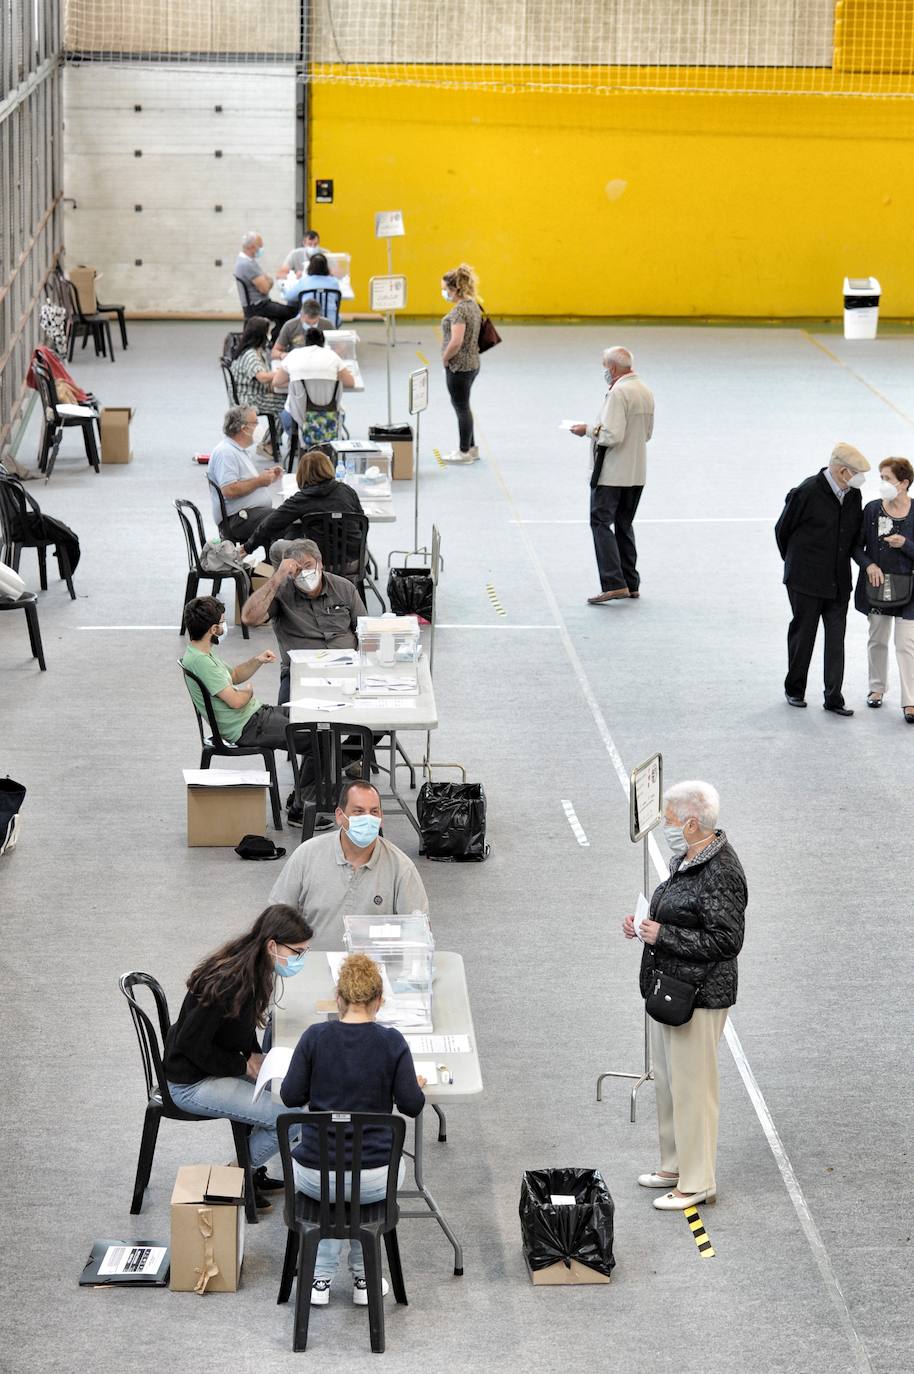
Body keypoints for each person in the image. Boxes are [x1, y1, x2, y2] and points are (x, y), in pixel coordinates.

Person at [622, 781, 746, 1211]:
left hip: (701, 995)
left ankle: (697, 1182)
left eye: (670, 817)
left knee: (693, 1090)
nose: (665, 824)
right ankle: (674, 1165)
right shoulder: (689, 857)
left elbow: (726, 941)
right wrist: (644, 923)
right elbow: (679, 910)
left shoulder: (722, 872)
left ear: (692, 823)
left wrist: (664, 935)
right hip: (672, 989)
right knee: (670, 1082)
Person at [281, 951, 426, 1305]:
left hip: (315, 1175)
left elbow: (290, 1096)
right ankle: (365, 1278)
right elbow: (412, 1105)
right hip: (376, 1178)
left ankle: (318, 1279)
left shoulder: (314, 1038)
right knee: (359, 1189)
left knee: (332, 1187)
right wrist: (412, 1084)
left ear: (338, 999)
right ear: (379, 1001)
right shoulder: (392, 1043)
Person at [163, 904, 313, 1207]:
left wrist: (254, 1052)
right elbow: (191, 1043)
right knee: (290, 1119)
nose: (300, 959)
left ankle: (248, 1170)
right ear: (272, 945)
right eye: (297, 952)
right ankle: (234, 1178)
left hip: (212, 1066)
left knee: (289, 1093)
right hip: (191, 1082)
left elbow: (238, 1023)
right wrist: (243, 1065)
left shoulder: (252, 967)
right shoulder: (228, 982)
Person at [269, 780, 429, 949]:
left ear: (381, 818)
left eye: (374, 812)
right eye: (358, 811)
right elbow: (276, 918)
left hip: (372, 964)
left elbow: (417, 933)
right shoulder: (306, 855)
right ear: (340, 816)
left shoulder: (401, 868)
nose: (367, 818)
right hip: (312, 961)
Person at [775, 442, 869, 714]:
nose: (860, 479)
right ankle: (795, 689)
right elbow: (782, 531)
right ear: (841, 471)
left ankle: (833, 698)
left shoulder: (853, 495)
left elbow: (852, 536)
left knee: (836, 641)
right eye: (856, 473)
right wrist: (798, 565)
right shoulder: (806, 491)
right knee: (803, 636)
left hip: (838, 581)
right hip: (805, 581)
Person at [570, 346, 654, 604]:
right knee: (624, 524)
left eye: (605, 366)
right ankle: (631, 582)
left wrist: (587, 430)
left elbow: (611, 435)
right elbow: (647, 434)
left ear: (613, 368)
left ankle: (614, 583)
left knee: (600, 523)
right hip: (636, 472)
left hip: (612, 474)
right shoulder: (645, 390)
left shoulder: (618, 393)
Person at [241, 537, 365, 706]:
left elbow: (365, 630)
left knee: (374, 714)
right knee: (289, 718)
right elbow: (249, 618)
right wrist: (277, 578)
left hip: (345, 670)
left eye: (308, 566)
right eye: (297, 570)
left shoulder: (344, 587)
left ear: (320, 563)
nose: (304, 574)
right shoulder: (282, 592)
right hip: (300, 672)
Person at [180, 593, 299, 756]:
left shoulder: (202, 652)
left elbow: (234, 675)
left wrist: (258, 660)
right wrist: (248, 692)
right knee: (316, 736)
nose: (224, 626)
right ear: (213, 629)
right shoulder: (201, 662)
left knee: (309, 718)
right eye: (222, 622)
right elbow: (236, 701)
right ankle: (314, 772)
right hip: (248, 727)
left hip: (255, 716)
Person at [852, 456, 914, 722]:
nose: (882, 484)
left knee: (906, 644)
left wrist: (906, 545)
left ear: (904, 483)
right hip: (877, 586)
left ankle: (910, 701)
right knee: (877, 639)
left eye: (887, 479)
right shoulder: (872, 510)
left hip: (910, 590)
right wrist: (869, 565)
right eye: (881, 478)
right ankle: (876, 688)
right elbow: (856, 547)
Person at [244, 449, 364, 561]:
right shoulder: (347, 490)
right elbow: (362, 524)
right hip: (356, 559)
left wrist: (247, 548)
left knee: (277, 547)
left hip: (318, 562)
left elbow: (269, 525)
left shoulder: (302, 499)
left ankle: (285, 577)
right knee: (295, 531)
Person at [208, 405, 283, 544]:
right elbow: (229, 490)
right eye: (255, 423)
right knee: (283, 521)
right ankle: (276, 557)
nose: (259, 427)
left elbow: (244, 481)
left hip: (246, 513)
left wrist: (268, 477)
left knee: (284, 517)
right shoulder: (226, 452)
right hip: (236, 519)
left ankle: (273, 557)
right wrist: (259, 481)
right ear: (244, 428)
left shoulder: (237, 450)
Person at [274, 327, 354, 449]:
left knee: (285, 414)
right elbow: (350, 382)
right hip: (330, 419)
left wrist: (295, 381)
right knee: (341, 412)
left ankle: (299, 448)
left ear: (305, 342)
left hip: (297, 419)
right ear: (323, 342)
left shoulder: (294, 355)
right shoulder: (332, 356)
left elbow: (277, 382)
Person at [439, 263, 483, 464]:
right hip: (473, 363)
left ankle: (464, 451)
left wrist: (445, 358)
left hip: (459, 367)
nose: (443, 292)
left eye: (445, 289)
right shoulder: (473, 305)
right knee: (465, 406)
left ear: (455, 288)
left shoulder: (458, 312)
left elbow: (456, 341)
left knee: (461, 408)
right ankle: (472, 448)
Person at [229, 317, 286, 454]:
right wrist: (283, 372)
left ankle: (270, 442)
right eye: (268, 332)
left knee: (287, 402)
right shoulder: (250, 355)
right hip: (249, 399)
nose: (270, 335)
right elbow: (262, 377)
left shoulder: (254, 351)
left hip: (252, 394)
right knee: (288, 406)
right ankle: (268, 443)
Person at [234, 231, 297, 342]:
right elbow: (265, 288)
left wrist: (267, 280)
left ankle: (275, 339)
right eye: (260, 246)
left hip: (258, 304)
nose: (261, 249)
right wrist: (267, 280)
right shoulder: (247, 264)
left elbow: (267, 281)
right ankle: (276, 342)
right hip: (258, 306)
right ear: (252, 247)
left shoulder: (247, 261)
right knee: (292, 312)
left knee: (284, 312)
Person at [283, 252, 341, 326]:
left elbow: (288, 296)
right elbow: (336, 299)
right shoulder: (334, 282)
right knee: (339, 317)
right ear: (326, 267)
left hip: (307, 320)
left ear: (310, 266)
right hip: (331, 321)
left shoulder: (304, 281)